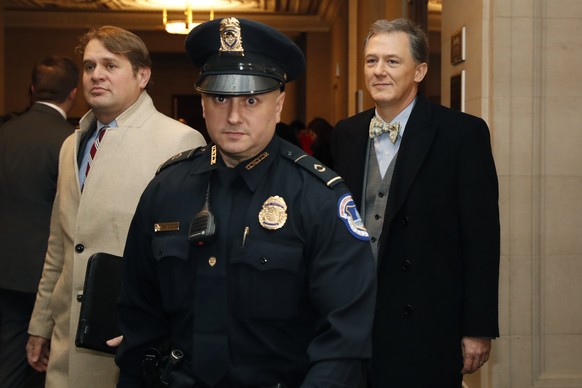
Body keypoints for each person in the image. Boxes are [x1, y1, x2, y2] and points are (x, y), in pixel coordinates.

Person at [115, 17, 377, 388]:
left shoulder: (318, 197)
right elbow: (139, 321)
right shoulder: (166, 190)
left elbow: (343, 341)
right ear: (203, 104)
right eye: (220, 98)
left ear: (279, 103)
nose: (234, 116)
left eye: (252, 99)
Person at [25, 26, 206, 388]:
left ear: (143, 75)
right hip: (65, 340)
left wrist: (159, 326)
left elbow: (191, 257)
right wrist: (40, 325)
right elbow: (59, 246)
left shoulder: (179, 141)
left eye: (110, 65)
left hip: (129, 340)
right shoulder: (70, 145)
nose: (96, 75)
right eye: (89, 66)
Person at [331, 18, 500, 387]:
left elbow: (482, 238)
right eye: (371, 61)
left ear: (420, 70)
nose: (379, 71)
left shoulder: (462, 133)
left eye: (392, 61)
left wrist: (478, 328)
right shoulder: (346, 133)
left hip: (426, 319)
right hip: (355, 317)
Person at [0, 55, 79, 388]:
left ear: (32, 90)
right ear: (74, 93)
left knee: (9, 359)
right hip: (48, 276)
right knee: (50, 362)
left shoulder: (4, 132)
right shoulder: (70, 141)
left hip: (5, 270)